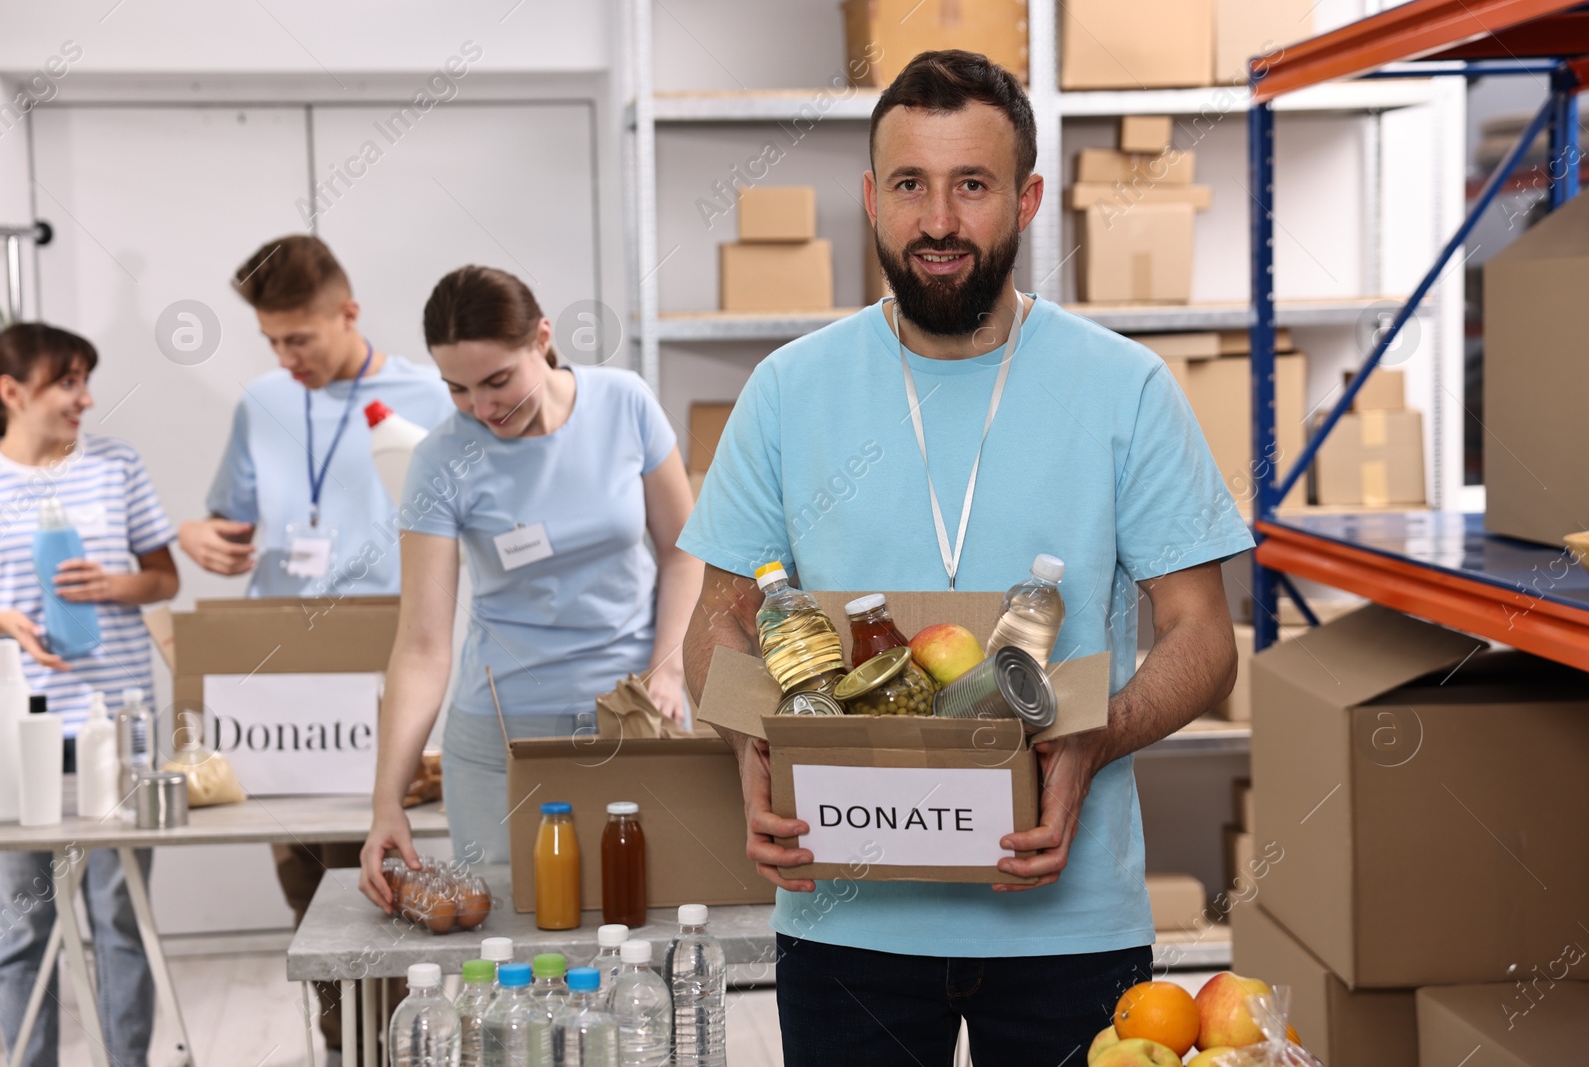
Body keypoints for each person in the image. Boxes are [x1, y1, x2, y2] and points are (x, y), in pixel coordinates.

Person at [679, 51, 1252, 1065]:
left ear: (1027, 198)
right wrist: (748, 746)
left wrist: (1093, 738)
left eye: (971, 185)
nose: (937, 219)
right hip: (844, 908)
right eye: (909, 184)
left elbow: (1204, 638)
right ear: (870, 198)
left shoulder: (1125, 388)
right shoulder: (788, 389)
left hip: (1067, 918)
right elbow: (717, 618)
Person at [176, 235, 453, 1057]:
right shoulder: (261, 402)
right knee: (303, 879)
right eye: (271, 340)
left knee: (377, 874)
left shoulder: (431, 395)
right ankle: (343, 1044)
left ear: (349, 313)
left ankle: (403, 1042)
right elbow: (227, 518)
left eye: (299, 337)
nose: (285, 356)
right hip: (276, 683)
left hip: (382, 670)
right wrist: (197, 535)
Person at [358, 265, 702, 905]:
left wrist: (669, 667)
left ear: (542, 338)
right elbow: (422, 645)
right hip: (501, 736)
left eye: (497, 381)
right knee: (503, 949)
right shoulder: (440, 459)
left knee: (635, 929)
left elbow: (684, 550)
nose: (482, 409)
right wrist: (386, 806)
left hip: (631, 715)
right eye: (456, 389)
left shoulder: (623, 403)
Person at [0, 323, 179, 1067]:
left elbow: (163, 578)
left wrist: (113, 583)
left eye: (85, 380)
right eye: (66, 382)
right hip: (18, 727)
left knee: (118, 914)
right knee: (23, 922)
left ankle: (123, 1061)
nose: (85, 398)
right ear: (12, 391)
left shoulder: (115, 465)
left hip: (117, 718)